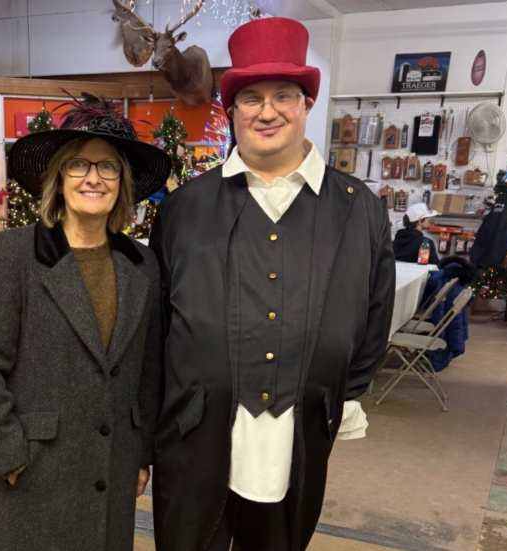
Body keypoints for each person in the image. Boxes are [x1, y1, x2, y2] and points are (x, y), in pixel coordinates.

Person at [149, 18, 396, 551]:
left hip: (300, 432)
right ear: (231, 110)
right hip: (195, 436)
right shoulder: (184, 208)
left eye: (283, 95)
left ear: (306, 103)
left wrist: (344, 390)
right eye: (251, 98)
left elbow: (375, 313)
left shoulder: (359, 211)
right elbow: (157, 322)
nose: (267, 111)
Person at [0, 93, 170, 551]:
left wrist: (142, 452)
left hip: (114, 463)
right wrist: (6, 452)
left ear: (122, 182)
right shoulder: (13, 255)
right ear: (59, 177)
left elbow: (148, 369)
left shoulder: (143, 265)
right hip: (36, 467)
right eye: (79, 165)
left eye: (108, 166)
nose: (94, 178)